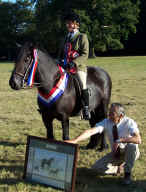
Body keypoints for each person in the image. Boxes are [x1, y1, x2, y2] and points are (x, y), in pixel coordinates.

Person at [65, 103, 141, 185]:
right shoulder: (106, 122)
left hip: (129, 152)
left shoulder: (129, 122)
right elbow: (91, 131)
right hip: (115, 153)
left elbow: (138, 139)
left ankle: (127, 174)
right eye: (109, 112)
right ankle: (119, 168)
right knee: (96, 168)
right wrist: (75, 140)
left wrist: (121, 140)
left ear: (121, 116)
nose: (109, 115)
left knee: (132, 145)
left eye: (112, 114)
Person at [58, 12, 90, 120]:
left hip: (77, 67)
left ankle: (86, 108)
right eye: (67, 23)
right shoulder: (65, 38)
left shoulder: (82, 37)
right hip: (65, 67)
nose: (67, 25)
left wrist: (74, 63)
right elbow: (62, 53)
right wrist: (60, 61)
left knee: (82, 84)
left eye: (69, 23)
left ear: (76, 24)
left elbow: (85, 54)